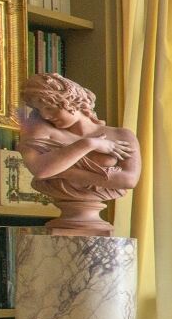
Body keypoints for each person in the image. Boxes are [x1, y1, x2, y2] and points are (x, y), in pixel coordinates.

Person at [16, 72, 141, 236]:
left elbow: (129, 180)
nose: (45, 115)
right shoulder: (43, 133)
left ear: (72, 102)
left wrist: (64, 172)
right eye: (40, 110)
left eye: (50, 108)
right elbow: (41, 170)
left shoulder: (121, 135)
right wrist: (89, 144)